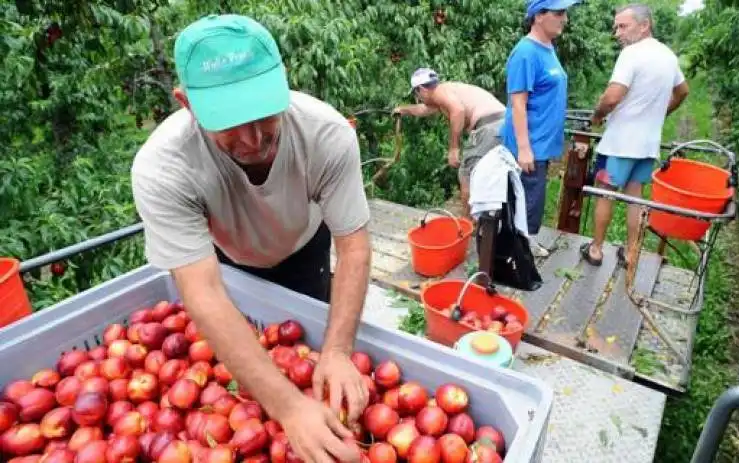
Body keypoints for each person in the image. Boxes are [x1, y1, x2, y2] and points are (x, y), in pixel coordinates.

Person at [130, 14, 370, 463]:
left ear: (283, 85)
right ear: (186, 103)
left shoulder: (325, 134)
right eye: (229, 122)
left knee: (313, 338)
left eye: (263, 113)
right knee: (248, 346)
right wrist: (289, 408)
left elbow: (353, 244)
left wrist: (338, 351)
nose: (253, 138)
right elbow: (202, 291)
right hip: (227, 264)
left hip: (304, 245)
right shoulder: (164, 167)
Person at [582, 4, 689, 267]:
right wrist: (660, 114)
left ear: (644, 25)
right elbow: (683, 91)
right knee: (635, 196)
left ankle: (596, 249)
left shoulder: (631, 54)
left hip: (620, 142)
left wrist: (596, 117)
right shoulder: (668, 56)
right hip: (647, 144)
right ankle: (631, 253)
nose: (617, 33)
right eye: (616, 27)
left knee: (606, 191)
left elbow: (612, 96)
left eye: (623, 26)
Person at [500, 0, 581, 257]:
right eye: (559, 13)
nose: (564, 19)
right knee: (527, 197)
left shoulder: (547, 48)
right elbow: (518, 103)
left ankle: (522, 243)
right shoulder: (525, 52)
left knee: (532, 195)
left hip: (541, 141)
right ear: (538, 16)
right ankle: (518, 250)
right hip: (528, 142)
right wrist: (524, 148)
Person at [392, 68, 506, 217]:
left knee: (467, 173)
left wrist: (453, 148)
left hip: (489, 127)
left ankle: (469, 222)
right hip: (503, 123)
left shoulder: (440, 92)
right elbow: (423, 109)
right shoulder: (446, 91)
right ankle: (491, 218)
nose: (418, 98)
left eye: (416, 93)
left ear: (421, 89)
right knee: (491, 173)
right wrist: (403, 110)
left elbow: (458, 111)